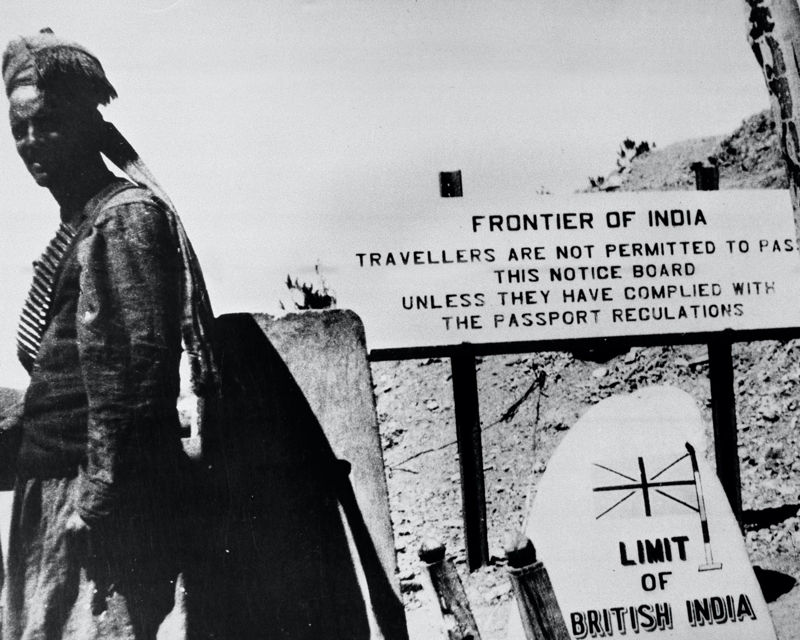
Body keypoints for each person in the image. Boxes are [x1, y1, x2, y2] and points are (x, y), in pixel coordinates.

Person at [2, 29, 217, 639]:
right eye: (19, 130)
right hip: (52, 490)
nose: (31, 143)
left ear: (83, 123)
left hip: (96, 506)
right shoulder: (84, 220)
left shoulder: (123, 218)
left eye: (47, 124)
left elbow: (130, 378)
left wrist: (95, 502)